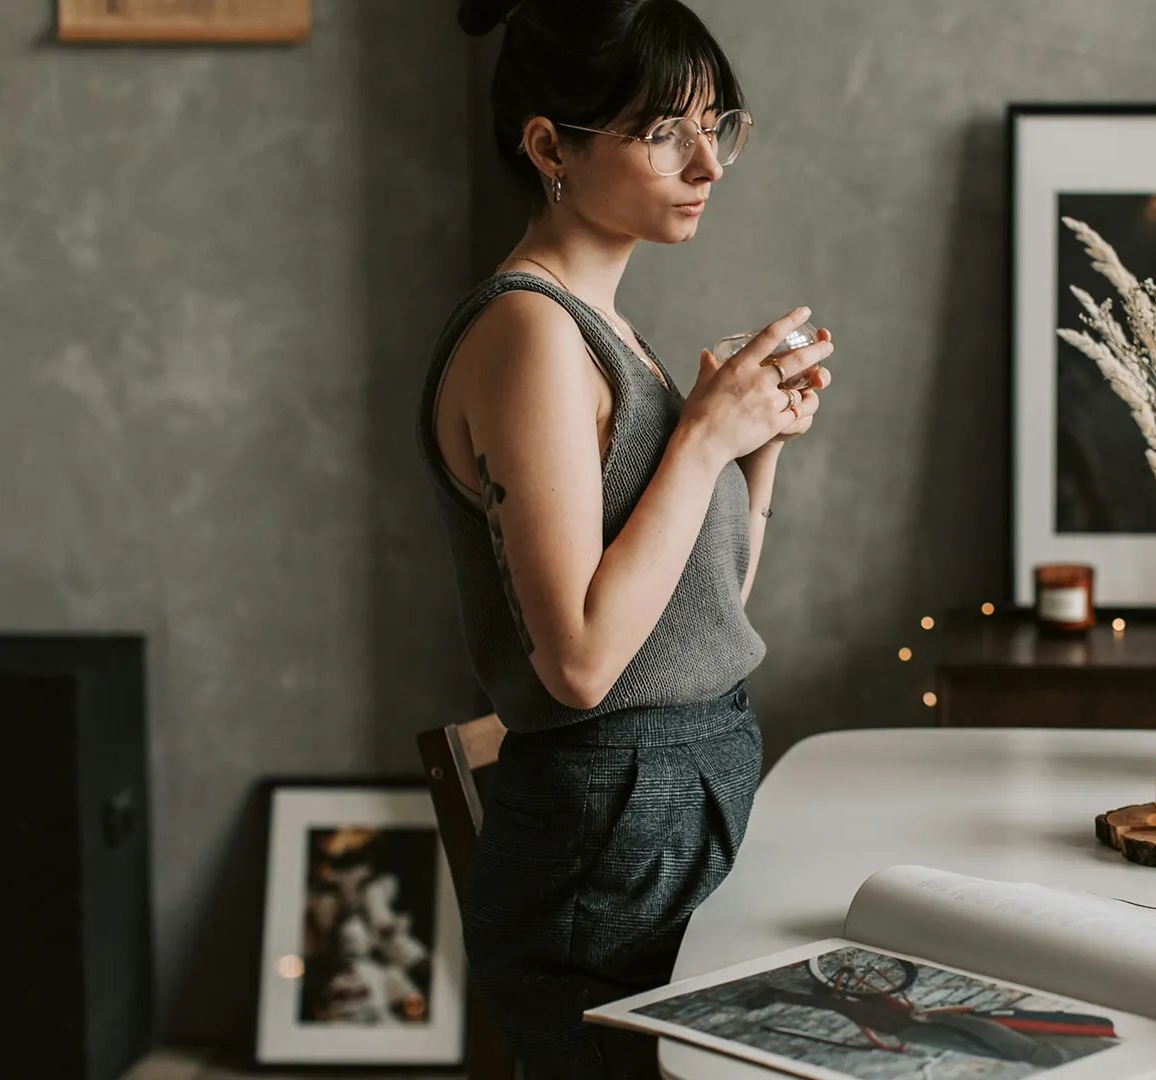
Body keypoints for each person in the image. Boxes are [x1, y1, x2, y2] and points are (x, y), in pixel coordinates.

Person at [414, 2, 832, 1076]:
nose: (708, 164)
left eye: (717, 125)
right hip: (610, 836)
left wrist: (755, 443)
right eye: (662, 132)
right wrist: (698, 439)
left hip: (673, 796)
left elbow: (702, 614)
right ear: (551, 145)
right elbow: (584, 663)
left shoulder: (605, 336)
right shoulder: (529, 333)